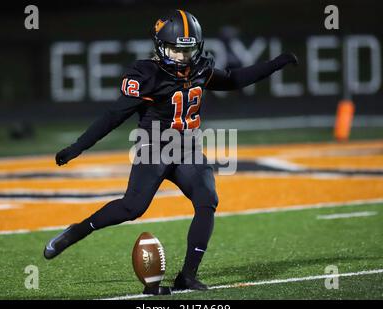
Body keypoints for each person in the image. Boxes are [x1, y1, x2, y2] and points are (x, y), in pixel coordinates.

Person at [43, 9, 298, 292]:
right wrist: (79, 147)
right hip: (154, 149)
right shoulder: (146, 74)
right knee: (132, 208)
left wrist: (276, 64)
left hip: (187, 148)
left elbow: (234, 79)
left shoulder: (201, 68)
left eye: (187, 50)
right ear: (160, 47)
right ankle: (75, 232)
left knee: (207, 199)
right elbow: (113, 115)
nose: (182, 57)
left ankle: (187, 275)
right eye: (175, 50)